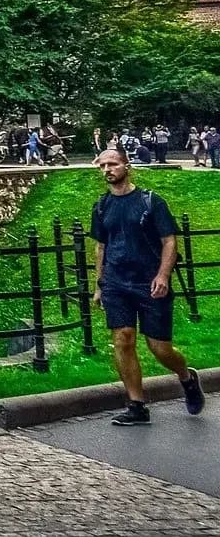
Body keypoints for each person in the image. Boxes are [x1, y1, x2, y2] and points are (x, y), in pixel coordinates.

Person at [91, 147, 206, 425]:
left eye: (113, 164)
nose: (108, 170)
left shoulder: (150, 202)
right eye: (103, 166)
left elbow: (169, 241)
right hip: (117, 283)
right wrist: (100, 285)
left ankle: (187, 377)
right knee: (123, 339)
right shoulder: (101, 206)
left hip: (150, 282)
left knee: (160, 348)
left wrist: (163, 275)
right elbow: (100, 247)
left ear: (126, 166)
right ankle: (136, 405)